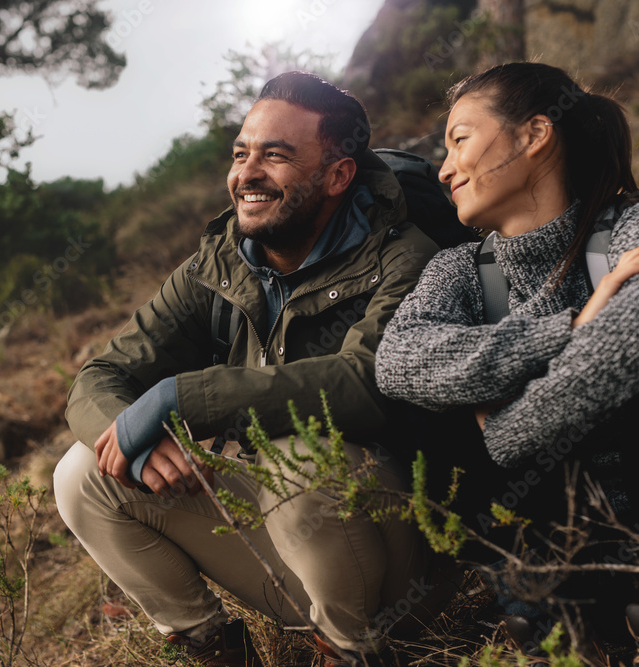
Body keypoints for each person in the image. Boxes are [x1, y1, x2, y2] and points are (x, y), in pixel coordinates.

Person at [53, 71, 444, 666]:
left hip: (397, 564)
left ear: (338, 175)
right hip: (280, 547)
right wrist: (133, 432)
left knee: (304, 458)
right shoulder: (220, 263)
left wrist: (187, 397)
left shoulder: (404, 257)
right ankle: (216, 648)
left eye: (276, 156)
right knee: (84, 473)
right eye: (241, 154)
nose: (246, 174)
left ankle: (350, 652)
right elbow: (100, 375)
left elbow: (367, 384)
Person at [375, 62, 639, 653]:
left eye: (459, 140)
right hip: (562, 549)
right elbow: (398, 360)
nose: (444, 168)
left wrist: (500, 428)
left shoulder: (638, 225)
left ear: (534, 134)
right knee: (416, 409)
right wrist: (576, 323)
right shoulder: (458, 273)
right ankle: (545, 613)